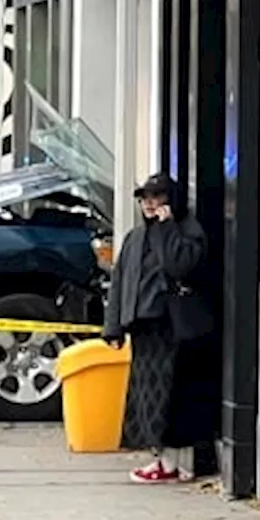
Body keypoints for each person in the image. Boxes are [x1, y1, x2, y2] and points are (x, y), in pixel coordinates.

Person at [102, 172, 214, 484]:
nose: (150, 204)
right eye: (145, 198)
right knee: (149, 399)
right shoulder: (135, 238)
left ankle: (174, 462)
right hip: (143, 327)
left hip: (172, 328)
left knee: (171, 398)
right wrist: (113, 327)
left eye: (157, 197)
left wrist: (167, 229)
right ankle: (165, 459)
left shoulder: (188, 231)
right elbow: (121, 281)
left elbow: (179, 265)